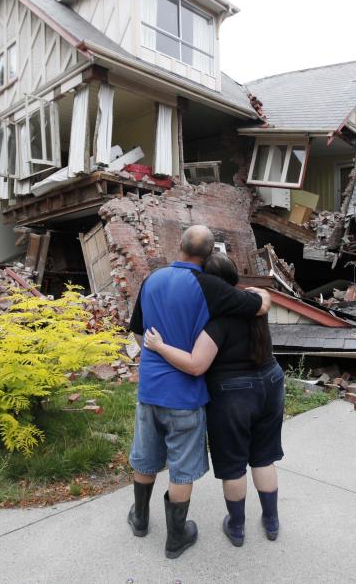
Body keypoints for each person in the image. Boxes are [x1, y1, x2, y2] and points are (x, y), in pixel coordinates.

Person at [127, 226, 270, 559]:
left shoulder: (152, 279)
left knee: (146, 457)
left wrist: (155, 355)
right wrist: (264, 295)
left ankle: (140, 519)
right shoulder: (211, 286)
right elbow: (256, 307)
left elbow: (136, 333)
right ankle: (176, 539)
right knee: (180, 468)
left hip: (149, 389)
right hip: (185, 396)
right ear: (209, 255)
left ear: (179, 246)